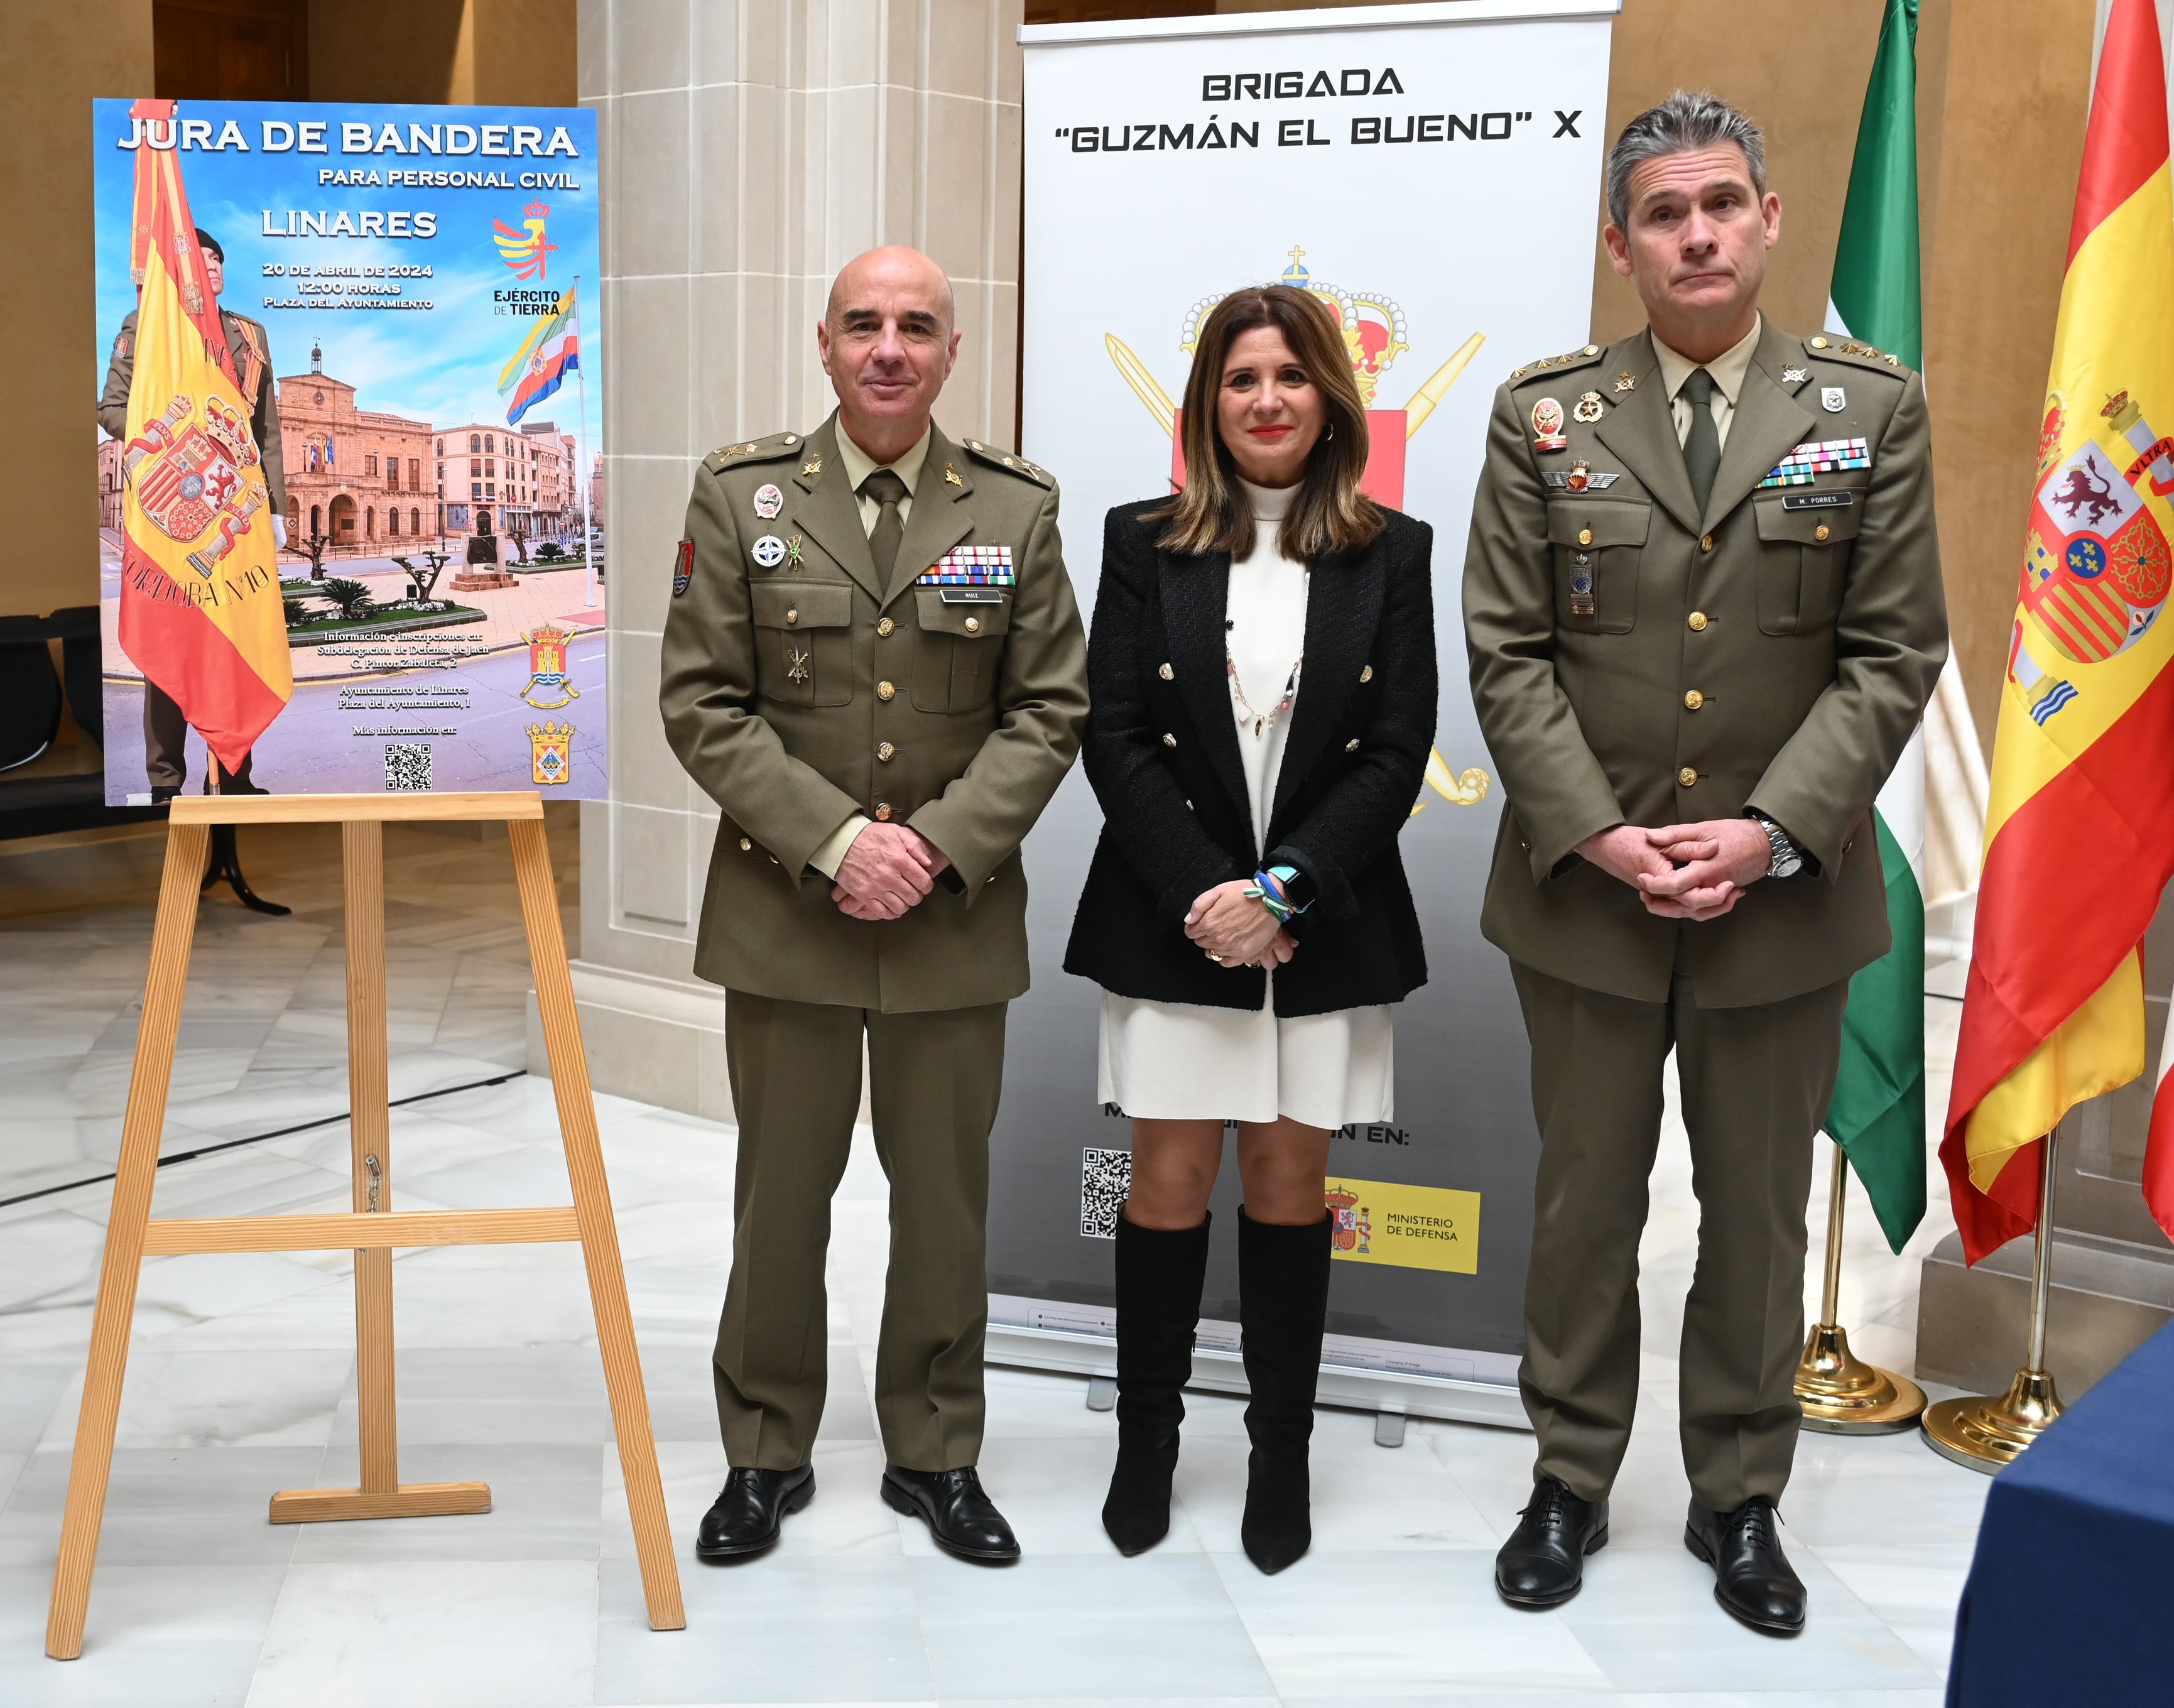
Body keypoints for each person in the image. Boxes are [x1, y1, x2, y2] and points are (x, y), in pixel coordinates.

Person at [1461, 91, 1948, 1634]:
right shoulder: (1542, 416)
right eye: (1663, 212)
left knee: (1750, 1218)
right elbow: (1503, 648)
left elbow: (1891, 651)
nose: (1695, 232)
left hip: (1776, 903)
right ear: (1620, 243)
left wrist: (1766, 831)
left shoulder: (1866, 408)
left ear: (1768, 220)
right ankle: (1569, 1475)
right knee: (1581, 1206)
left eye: (1720, 203)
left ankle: (1739, 1499)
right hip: (1582, 894)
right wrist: (1599, 833)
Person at [660, 246, 1089, 1564]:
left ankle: (937, 1449)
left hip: (952, 917)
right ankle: (763, 1448)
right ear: (826, 345)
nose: (890, 347)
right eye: (865, 324)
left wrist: (937, 846)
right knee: (779, 1196)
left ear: (953, 352)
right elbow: (701, 703)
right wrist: (838, 840)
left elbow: (1051, 705)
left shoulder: (1012, 509)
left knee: (945, 1202)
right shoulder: (744, 497)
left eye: (918, 326)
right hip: (787, 916)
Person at [1064, 284, 1438, 1574]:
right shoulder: (1140, 538)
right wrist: (1210, 897)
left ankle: (1282, 1451)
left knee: (1291, 1185)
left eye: (1288, 376)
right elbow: (1111, 732)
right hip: (1172, 918)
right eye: (1240, 379)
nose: (1266, 400)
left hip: (1322, 923)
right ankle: (1148, 1448)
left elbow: (1396, 750)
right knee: (1167, 1182)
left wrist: (1284, 893)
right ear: (1206, 407)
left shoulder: (1392, 549)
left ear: (1330, 395)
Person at [98, 227, 284, 799]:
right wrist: (174, 435)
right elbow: (112, 409)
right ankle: (166, 785)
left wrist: (274, 509)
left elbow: (267, 431)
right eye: (201, 260)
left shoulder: (250, 337)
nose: (214, 267)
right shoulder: (148, 327)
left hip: (237, 512)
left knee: (237, 642)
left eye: (219, 259)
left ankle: (235, 780)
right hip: (171, 512)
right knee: (172, 648)